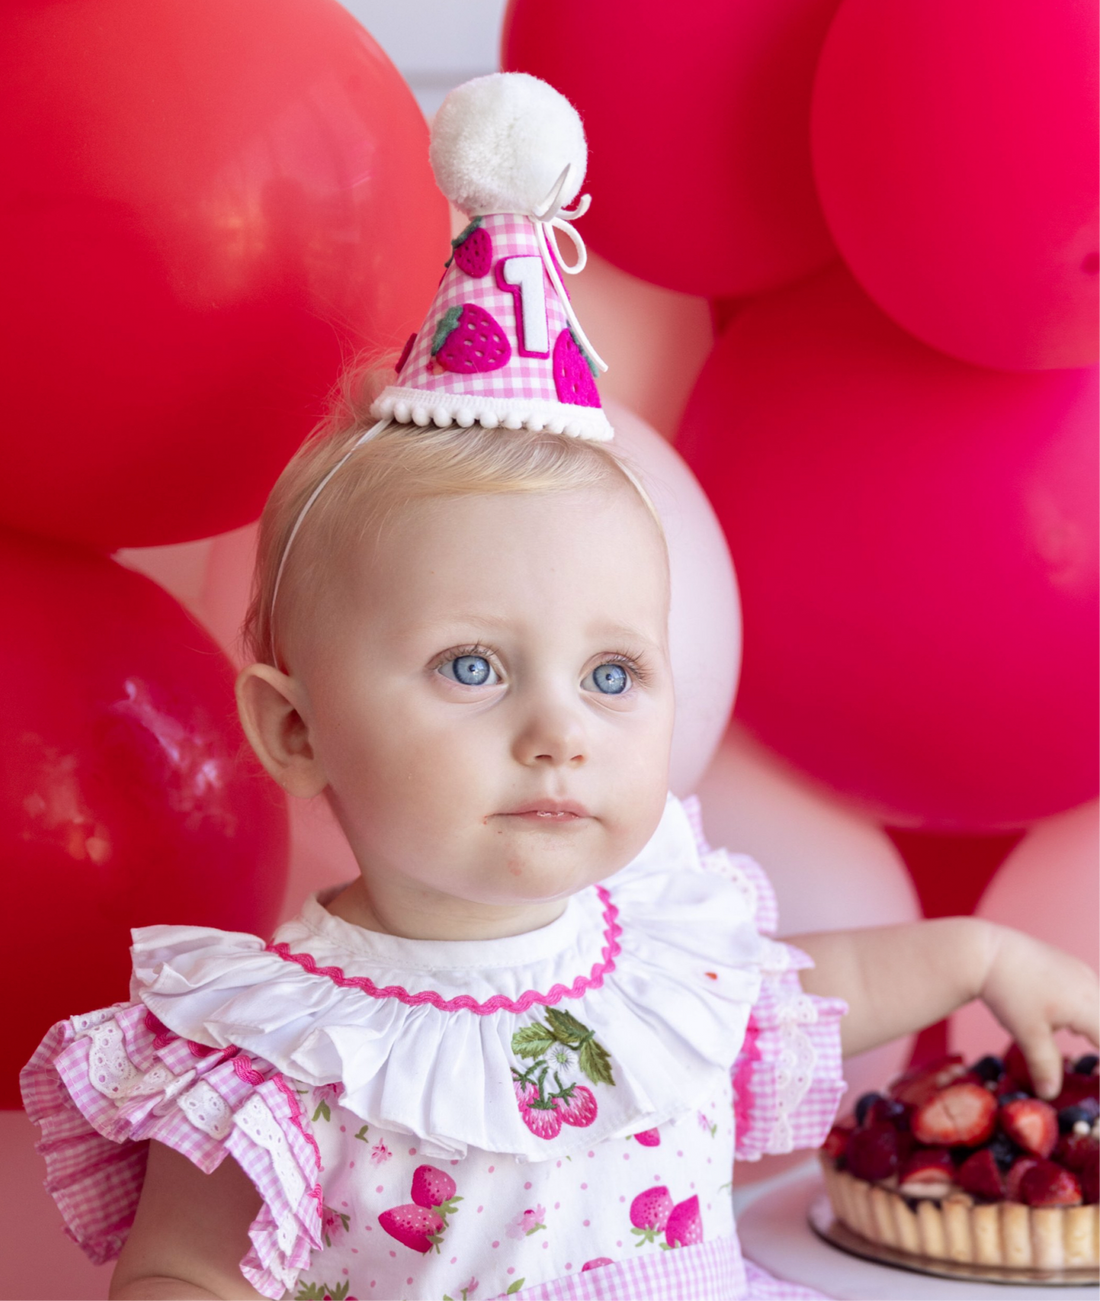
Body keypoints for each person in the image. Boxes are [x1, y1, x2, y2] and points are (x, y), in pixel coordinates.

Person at [22, 74, 1100, 1301]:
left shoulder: (659, 964)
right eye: (470, 667)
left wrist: (976, 955)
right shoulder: (279, 1052)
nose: (557, 733)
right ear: (292, 726)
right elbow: (181, 1275)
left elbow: (814, 990)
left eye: (611, 673)